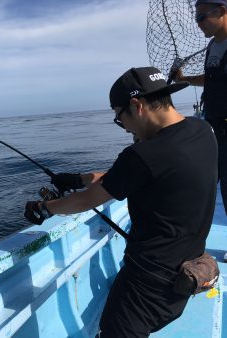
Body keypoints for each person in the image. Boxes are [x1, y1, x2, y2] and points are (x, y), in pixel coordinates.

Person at [25, 66, 218, 337]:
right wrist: (77, 178)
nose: (123, 127)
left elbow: (85, 202)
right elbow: (145, 173)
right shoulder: (203, 131)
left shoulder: (142, 154)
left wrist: (44, 208)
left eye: (119, 117)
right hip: (190, 272)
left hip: (148, 284)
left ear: (137, 105)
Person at [174, 0, 227, 214]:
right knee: (203, 188)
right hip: (215, 129)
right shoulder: (213, 46)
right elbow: (212, 79)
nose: (198, 24)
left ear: (222, 11)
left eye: (201, 17)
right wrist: (184, 79)